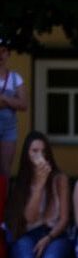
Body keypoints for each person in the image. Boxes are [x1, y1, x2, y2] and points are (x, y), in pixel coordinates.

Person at [0, 36, 29, 177]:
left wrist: (4, 98)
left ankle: (5, 198)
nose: (0, 54)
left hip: (8, 128)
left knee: (5, 169)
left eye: (3, 51)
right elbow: (18, 102)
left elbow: (24, 104)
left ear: (8, 54)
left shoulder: (16, 78)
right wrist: (12, 101)